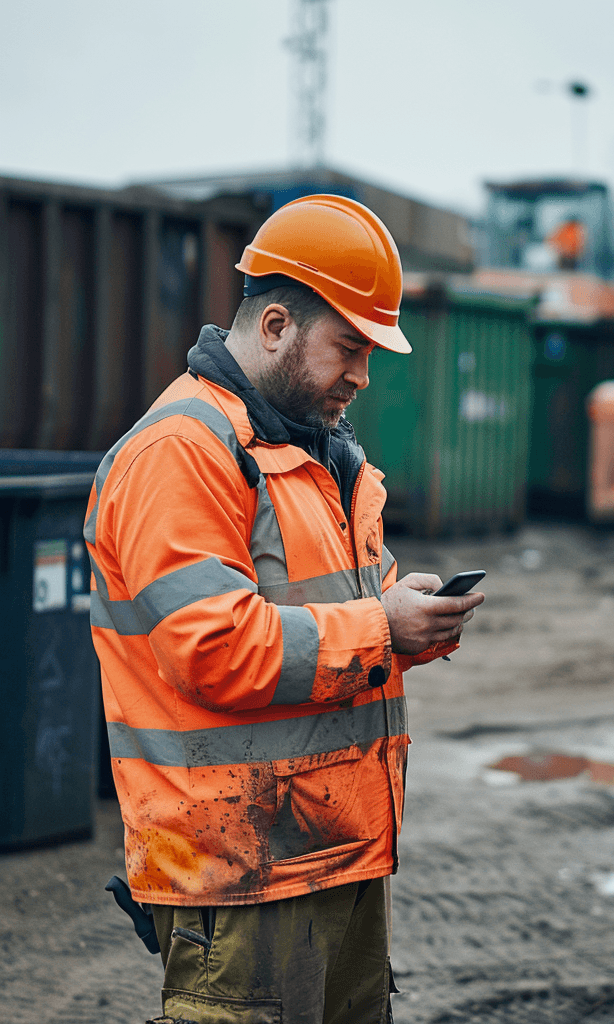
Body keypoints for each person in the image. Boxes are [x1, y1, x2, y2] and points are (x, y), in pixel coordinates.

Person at [85, 194, 484, 1024]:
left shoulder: (317, 455)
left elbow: (335, 619)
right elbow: (212, 648)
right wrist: (383, 627)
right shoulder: (180, 453)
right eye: (349, 347)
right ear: (274, 326)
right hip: (238, 874)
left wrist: (403, 619)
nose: (363, 376)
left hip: (336, 856)